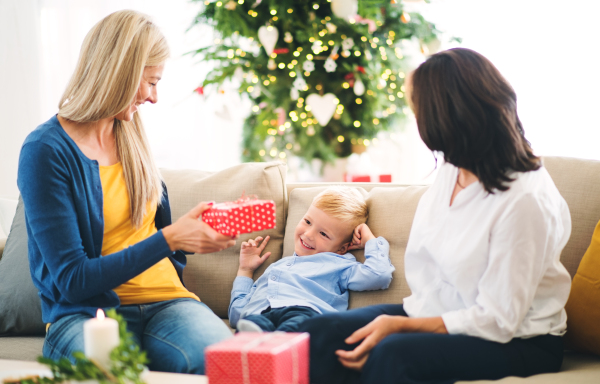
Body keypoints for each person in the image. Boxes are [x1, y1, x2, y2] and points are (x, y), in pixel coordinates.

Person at [298, 48, 572, 384]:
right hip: (437, 313)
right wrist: (405, 321)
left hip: (520, 339)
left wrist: (400, 326)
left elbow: (499, 320)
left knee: (393, 355)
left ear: (443, 120)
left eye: (416, 109)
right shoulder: (453, 168)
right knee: (317, 334)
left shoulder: (525, 199)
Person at [17, 10, 235, 374]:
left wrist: (189, 234)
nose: (154, 98)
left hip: (168, 303)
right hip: (84, 314)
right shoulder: (46, 150)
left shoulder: (132, 136)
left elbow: (150, 233)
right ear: (121, 74)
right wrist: (169, 238)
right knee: (113, 375)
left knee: (226, 366)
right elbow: (73, 281)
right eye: (150, 82)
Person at [228, 187, 395, 333]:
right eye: (307, 221)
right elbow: (237, 315)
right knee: (249, 324)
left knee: (298, 325)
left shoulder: (339, 264)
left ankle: (282, 347)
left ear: (342, 248)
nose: (308, 234)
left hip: (304, 314)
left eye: (323, 234)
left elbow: (379, 275)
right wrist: (245, 270)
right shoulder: (275, 268)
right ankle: (256, 350)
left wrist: (370, 239)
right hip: (260, 314)